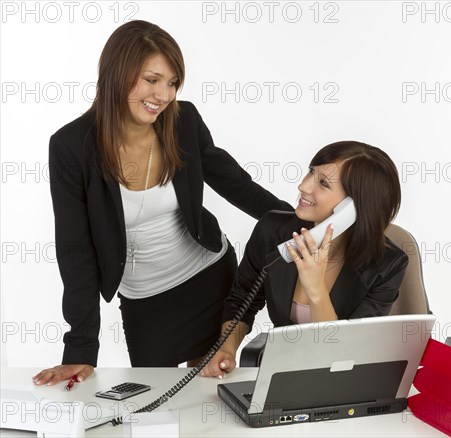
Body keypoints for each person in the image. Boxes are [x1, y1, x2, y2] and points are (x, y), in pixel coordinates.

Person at [33, 20, 291, 386]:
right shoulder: (72, 146)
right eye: (152, 80)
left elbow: (236, 185)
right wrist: (80, 349)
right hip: (145, 302)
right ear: (118, 74)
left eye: (172, 83)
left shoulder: (182, 122)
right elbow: (76, 252)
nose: (163, 95)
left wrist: (298, 221)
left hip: (208, 279)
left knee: (206, 397)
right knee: (156, 407)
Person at [201, 140, 408, 378]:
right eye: (311, 172)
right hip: (283, 372)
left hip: (343, 377)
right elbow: (242, 300)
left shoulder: (387, 265)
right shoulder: (273, 231)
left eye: (323, 183)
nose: (303, 186)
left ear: (353, 207)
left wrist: (316, 289)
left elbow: (343, 352)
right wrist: (227, 348)